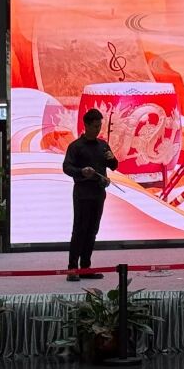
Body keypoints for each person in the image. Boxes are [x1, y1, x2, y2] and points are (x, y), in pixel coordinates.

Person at [62, 108, 117, 281]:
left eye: (99, 126)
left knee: (93, 230)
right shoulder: (76, 146)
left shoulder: (103, 145)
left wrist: (112, 158)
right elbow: (66, 167)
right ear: (86, 125)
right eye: (94, 126)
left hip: (98, 192)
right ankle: (72, 268)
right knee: (80, 229)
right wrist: (81, 171)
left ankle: (85, 267)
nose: (97, 129)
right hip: (82, 192)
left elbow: (114, 166)